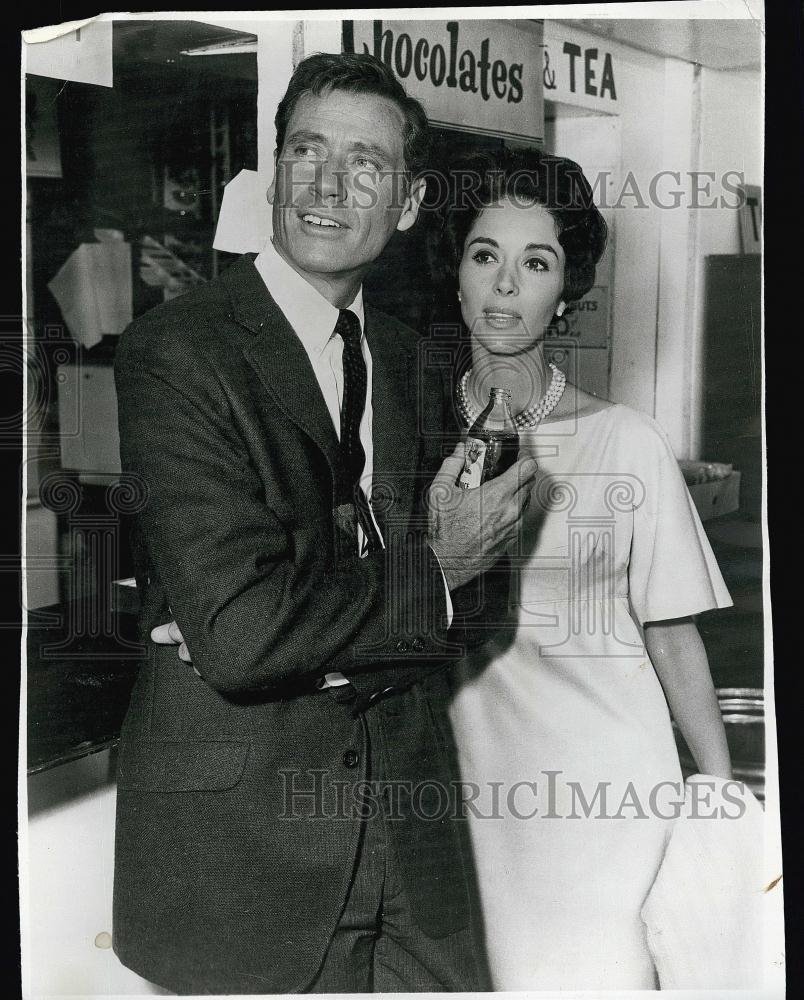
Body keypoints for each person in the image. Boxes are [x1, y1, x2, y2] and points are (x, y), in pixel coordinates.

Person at [111, 54, 537, 994]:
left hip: (411, 836)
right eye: (306, 151)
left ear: (411, 200)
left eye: (366, 164)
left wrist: (343, 618)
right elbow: (243, 636)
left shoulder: (409, 358)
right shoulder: (178, 354)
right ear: (274, 174)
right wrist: (430, 571)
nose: (328, 186)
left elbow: (486, 596)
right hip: (246, 863)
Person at [439, 148, 734, 990]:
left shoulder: (625, 441)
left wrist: (714, 801)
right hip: (463, 796)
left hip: (607, 802)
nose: (505, 285)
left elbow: (672, 636)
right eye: (485, 255)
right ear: (456, 276)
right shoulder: (408, 438)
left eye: (537, 263)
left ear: (567, 293)